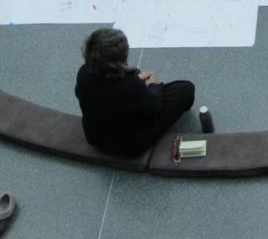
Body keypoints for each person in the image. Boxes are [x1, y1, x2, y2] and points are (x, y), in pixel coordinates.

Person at [75, 28, 199, 157]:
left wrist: (135, 81)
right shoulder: (130, 85)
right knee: (185, 89)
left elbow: (101, 92)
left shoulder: (83, 73)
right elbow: (154, 107)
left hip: (95, 138)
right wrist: (153, 84)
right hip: (130, 147)